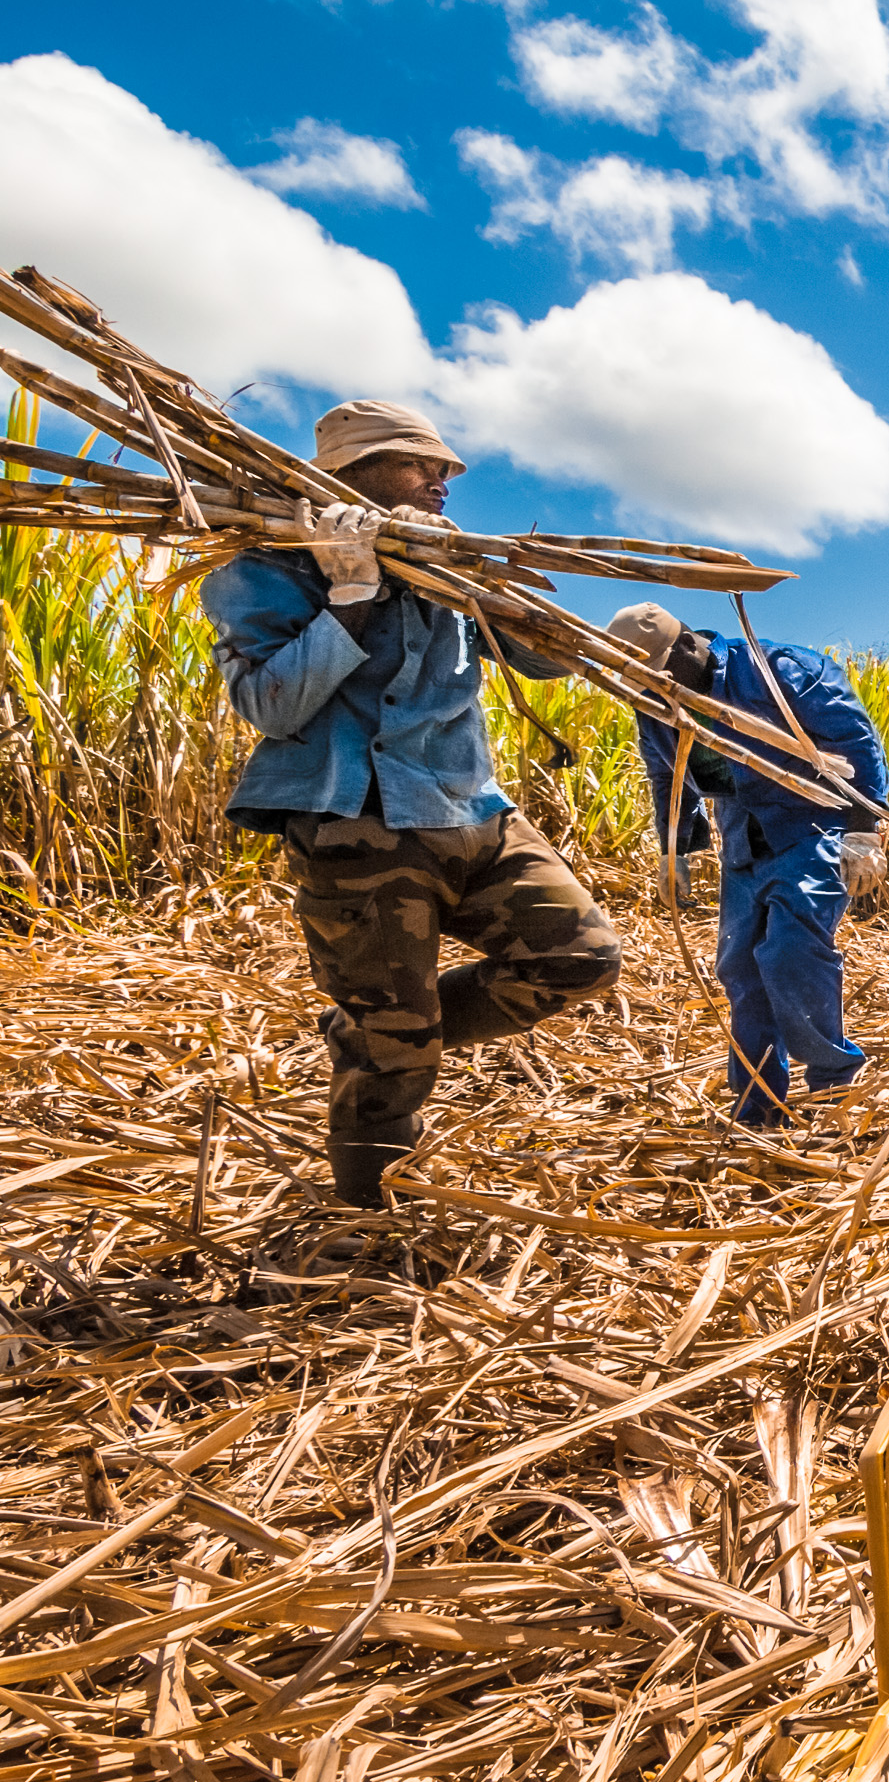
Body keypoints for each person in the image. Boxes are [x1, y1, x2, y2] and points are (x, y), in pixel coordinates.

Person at [206, 400, 623, 1209]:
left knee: (579, 956)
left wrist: (508, 604)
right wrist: (351, 596)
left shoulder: (446, 566)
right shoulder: (262, 571)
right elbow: (271, 707)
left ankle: (388, 1030)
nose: (441, 479)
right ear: (351, 474)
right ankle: (370, 1225)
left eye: (442, 469)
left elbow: (545, 664)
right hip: (357, 822)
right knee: (393, 1059)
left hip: (474, 811)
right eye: (417, 464)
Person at [602, 602, 889, 1127]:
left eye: (658, 675)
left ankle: (833, 1088)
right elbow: (666, 775)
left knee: (790, 951)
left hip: (811, 827)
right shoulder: (653, 703)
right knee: (740, 969)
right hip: (743, 841)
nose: (652, 688)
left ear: (688, 648)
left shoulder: (782, 670)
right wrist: (674, 850)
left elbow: (856, 742)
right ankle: (758, 1108)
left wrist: (864, 829)